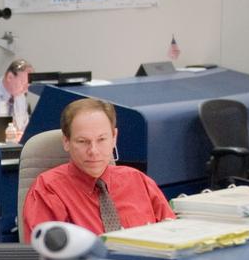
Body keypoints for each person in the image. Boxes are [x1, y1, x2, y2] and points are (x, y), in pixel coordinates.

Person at [22, 98, 175, 237]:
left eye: (101, 139)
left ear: (114, 137)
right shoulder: (48, 190)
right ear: (66, 142)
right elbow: (47, 259)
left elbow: (173, 236)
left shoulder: (139, 181)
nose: (93, 151)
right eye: (83, 141)